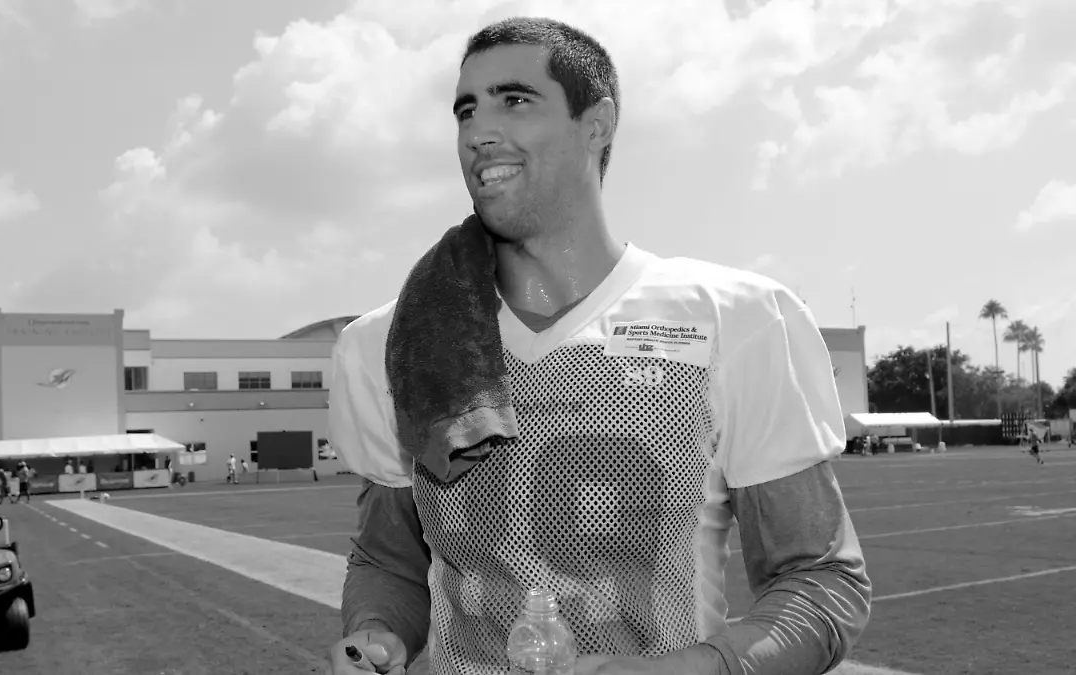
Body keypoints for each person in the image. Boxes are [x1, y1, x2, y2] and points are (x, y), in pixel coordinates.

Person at [327, 17, 871, 675]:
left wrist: (691, 668)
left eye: (514, 100)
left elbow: (818, 578)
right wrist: (377, 633)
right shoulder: (392, 342)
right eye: (465, 110)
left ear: (598, 123)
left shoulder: (736, 321)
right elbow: (389, 559)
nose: (478, 132)